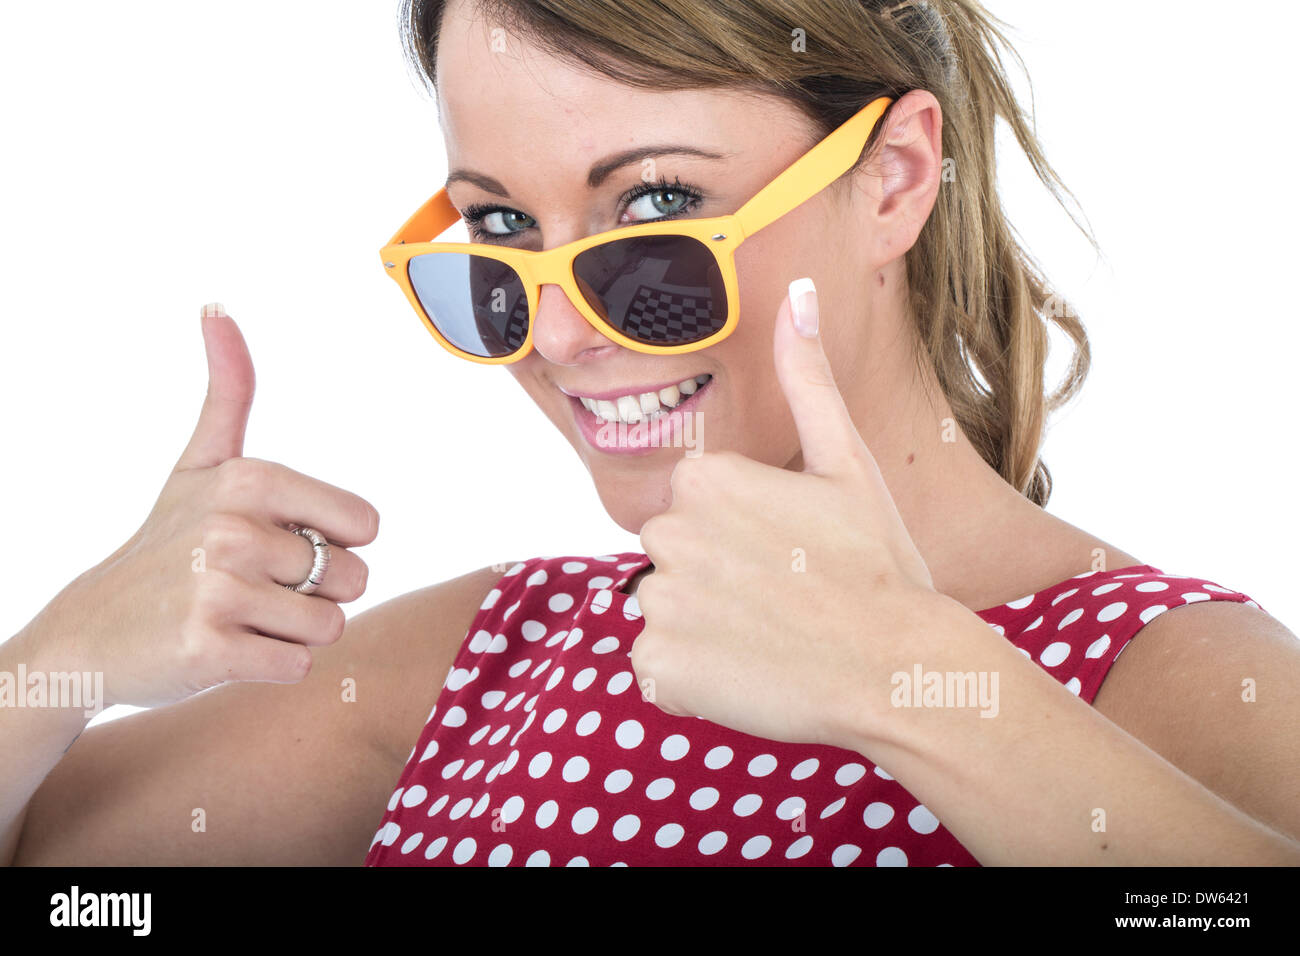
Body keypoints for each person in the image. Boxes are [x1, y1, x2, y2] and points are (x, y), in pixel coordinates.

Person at [3, 0, 1298, 867]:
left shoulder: (1168, 679)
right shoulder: (492, 657)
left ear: (896, 179)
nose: (558, 334)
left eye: (657, 206)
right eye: (501, 234)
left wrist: (912, 686)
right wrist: (61, 656)